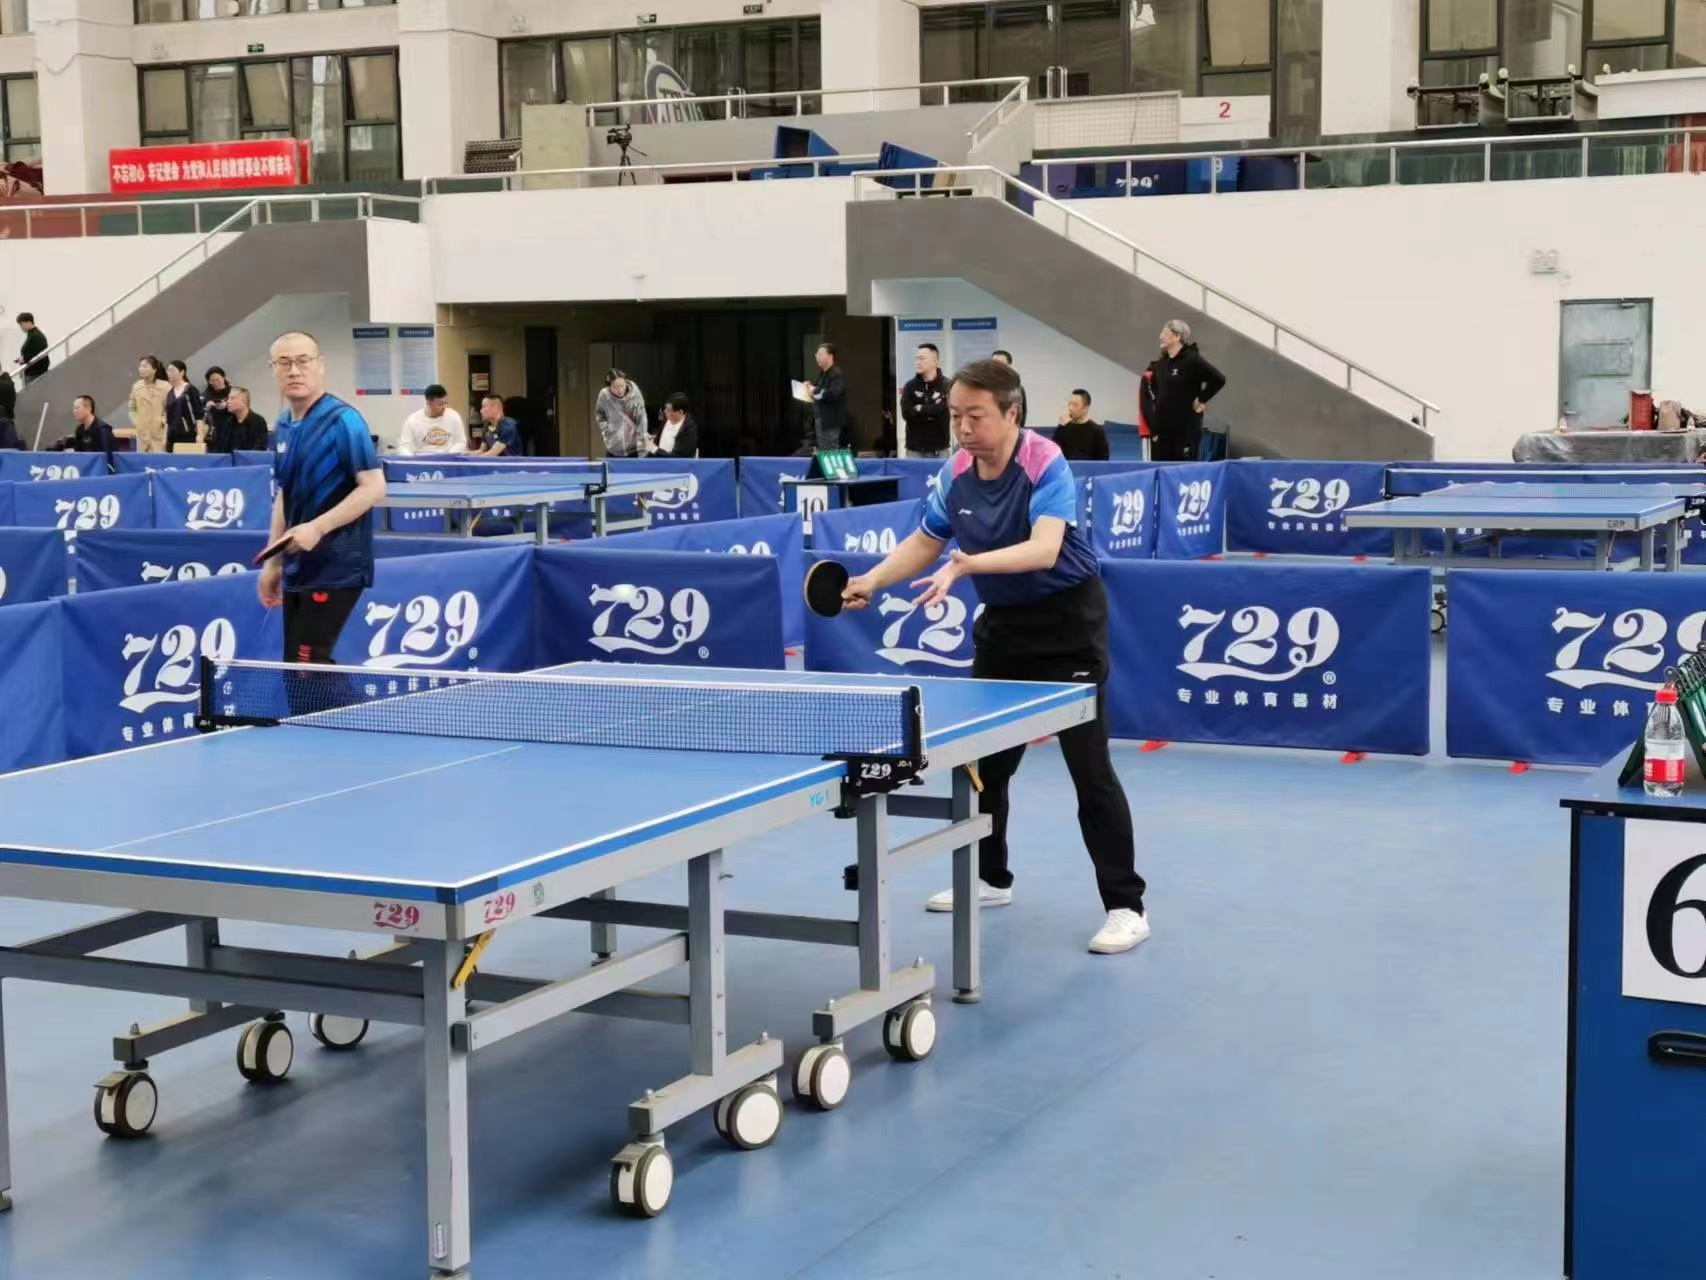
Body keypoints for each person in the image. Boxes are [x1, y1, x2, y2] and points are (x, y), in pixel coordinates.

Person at [841, 358, 1149, 955]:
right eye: (956, 415)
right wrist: (873, 580)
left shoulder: (1045, 461)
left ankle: (1126, 906)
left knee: (1089, 771)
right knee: (987, 766)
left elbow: (1044, 549)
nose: (962, 427)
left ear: (1012, 413)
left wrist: (968, 565)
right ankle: (989, 878)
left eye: (975, 416)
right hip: (1004, 628)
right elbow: (926, 540)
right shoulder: (955, 470)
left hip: (1068, 626)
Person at [258, 330, 385, 665]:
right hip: (298, 565)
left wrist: (318, 527)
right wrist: (273, 563)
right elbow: (285, 494)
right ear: (273, 369)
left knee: (308, 664)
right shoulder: (283, 425)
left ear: (320, 365)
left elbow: (374, 486)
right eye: (284, 363)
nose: (294, 371)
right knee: (297, 667)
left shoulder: (343, 420)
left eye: (303, 361)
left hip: (338, 563)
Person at [1145, 319, 1225, 463]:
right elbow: (1157, 394)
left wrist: (1202, 399)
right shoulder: (1160, 364)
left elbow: (1218, 379)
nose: (1160, 336)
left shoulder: (1192, 359)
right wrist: (1154, 429)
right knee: (1160, 469)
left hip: (1185, 431)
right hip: (1163, 432)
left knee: (1183, 470)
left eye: (1165, 332)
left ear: (1178, 336)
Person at [900, 342, 951, 458]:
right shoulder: (910, 386)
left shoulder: (946, 385)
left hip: (939, 449)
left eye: (922, 358)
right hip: (915, 450)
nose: (918, 362)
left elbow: (942, 410)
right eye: (917, 359)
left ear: (935, 361)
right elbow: (907, 413)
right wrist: (931, 410)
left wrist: (919, 408)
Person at [800, 342, 849, 453]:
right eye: (816, 355)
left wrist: (814, 390)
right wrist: (809, 389)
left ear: (830, 356)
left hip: (830, 421)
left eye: (820, 354)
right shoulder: (823, 374)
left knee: (830, 451)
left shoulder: (836, 373)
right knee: (823, 450)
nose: (817, 357)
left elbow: (833, 394)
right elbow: (820, 393)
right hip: (821, 419)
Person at [397, 384, 468, 456]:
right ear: (429, 403)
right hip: (423, 459)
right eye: (440, 404)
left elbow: (460, 442)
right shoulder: (413, 420)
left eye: (445, 403)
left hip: (447, 459)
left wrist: (448, 457)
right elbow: (404, 446)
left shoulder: (453, 416)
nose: (444, 407)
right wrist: (411, 459)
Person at [596, 369, 648, 458]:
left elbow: (641, 421)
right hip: (613, 449)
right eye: (615, 387)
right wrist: (606, 432)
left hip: (634, 449)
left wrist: (642, 451)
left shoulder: (635, 394)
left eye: (622, 385)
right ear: (609, 387)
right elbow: (600, 414)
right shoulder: (604, 395)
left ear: (625, 382)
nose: (620, 390)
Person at [1055, 389, 1111, 461]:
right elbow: (1053, 453)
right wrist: (1061, 425)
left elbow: (1103, 459)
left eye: (1075, 405)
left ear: (1085, 408)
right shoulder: (1065, 428)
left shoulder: (1096, 431)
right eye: (1069, 404)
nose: (1070, 408)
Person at [128, 356, 169, 454]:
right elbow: (131, 407)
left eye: (145, 366)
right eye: (140, 366)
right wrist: (137, 421)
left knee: (160, 460)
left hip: (160, 433)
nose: (141, 369)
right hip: (142, 434)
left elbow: (169, 408)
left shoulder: (165, 386)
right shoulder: (137, 386)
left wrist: (162, 420)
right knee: (143, 460)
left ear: (154, 370)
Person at [163, 360, 205, 452]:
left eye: (172, 370)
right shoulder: (170, 393)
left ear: (182, 372)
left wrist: (200, 435)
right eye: (168, 371)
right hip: (172, 437)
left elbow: (199, 415)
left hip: (188, 435)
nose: (169, 373)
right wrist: (164, 438)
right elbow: (168, 420)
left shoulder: (190, 390)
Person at [646, 392, 699, 459]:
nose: (665, 411)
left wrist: (655, 449)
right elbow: (657, 443)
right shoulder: (666, 421)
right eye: (665, 408)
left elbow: (678, 457)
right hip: (659, 462)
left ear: (680, 412)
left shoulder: (689, 429)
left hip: (675, 464)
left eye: (669, 410)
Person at [70, 394, 115, 465]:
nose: (74, 411)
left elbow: (107, 458)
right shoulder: (79, 430)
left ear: (88, 408)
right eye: (74, 409)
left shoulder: (103, 430)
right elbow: (78, 454)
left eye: (77, 408)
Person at [224, 386, 270, 452]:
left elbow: (260, 448)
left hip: (250, 458)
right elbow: (223, 449)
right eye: (228, 398)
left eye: (232, 398)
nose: (228, 401)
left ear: (244, 401)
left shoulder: (258, 421)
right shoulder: (228, 423)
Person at [991, 349, 1028, 426]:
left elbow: (1021, 414)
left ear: (1009, 366)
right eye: (994, 364)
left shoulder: (1016, 388)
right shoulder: (985, 387)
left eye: (1001, 364)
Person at [202, 366, 236, 449]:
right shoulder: (205, 395)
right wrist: (207, 408)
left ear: (224, 377)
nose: (215, 383)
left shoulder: (233, 392)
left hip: (231, 429)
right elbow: (199, 414)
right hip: (213, 430)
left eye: (218, 379)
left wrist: (227, 405)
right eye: (212, 381)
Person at [14, 312, 48, 385]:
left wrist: (24, 358)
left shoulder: (36, 336)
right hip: (32, 372)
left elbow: (39, 354)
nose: (21, 327)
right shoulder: (32, 334)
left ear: (29, 322)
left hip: (35, 374)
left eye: (21, 324)